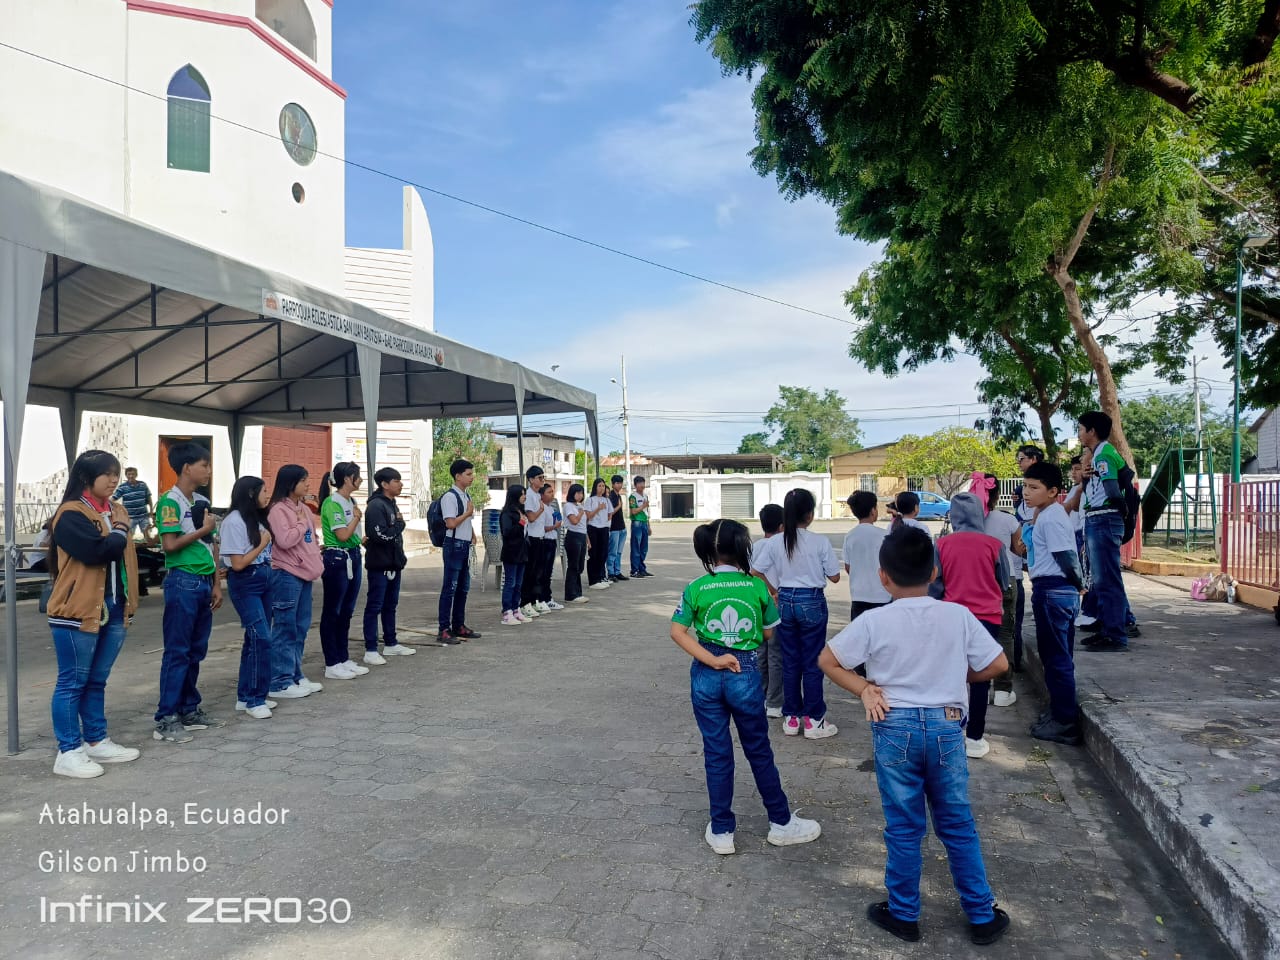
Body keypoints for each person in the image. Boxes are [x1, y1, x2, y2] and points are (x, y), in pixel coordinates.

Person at [819, 526, 1010, 947]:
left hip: (894, 726)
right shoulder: (958, 615)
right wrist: (956, 677)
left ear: (883, 577)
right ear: (935, 572)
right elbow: (998, 665)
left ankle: (904, 914)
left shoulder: (874, 620)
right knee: (957, 823)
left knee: (904, 826)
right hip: (946, 728)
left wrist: (864, 688)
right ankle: (981, 915)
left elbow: (828, 660)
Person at [671, 518, 822, 855]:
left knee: (717, 752)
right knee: (758, 750)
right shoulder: (756, 587)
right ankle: (781, 823)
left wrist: (712, 659)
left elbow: (677, 631)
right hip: (745, 672)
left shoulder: (696, 587)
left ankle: (722, 830)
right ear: (742, 548)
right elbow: (768, 633)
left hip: (706, 675)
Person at [46, 450, 142, 778]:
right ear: (87, 477)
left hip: (114, 608)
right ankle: (68, 750)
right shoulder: (71, 513)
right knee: (72, 681)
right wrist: (120, 527)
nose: (114, 480)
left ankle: (96, 740)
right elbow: (98, 551)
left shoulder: (115, 509)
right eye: (107, 474)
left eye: (117, 474)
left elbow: (122, 553)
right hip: (77, 610)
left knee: (97, 679)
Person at [751, 488, 841, 740]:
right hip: (812, 601)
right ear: (810, 514)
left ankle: (791, 717)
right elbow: (835, 577)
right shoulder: (819, 541)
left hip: (785, 601)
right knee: (812, 662)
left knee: (789, 661)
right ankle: (813, 720)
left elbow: (755, 571)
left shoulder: (774, 542)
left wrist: (774, 590)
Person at [153, 441, 223, 744]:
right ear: (186, 468)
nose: (208, 470)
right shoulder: (170, 502)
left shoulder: (202, 501)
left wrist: (217, 582)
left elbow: (212, 544)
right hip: (183, 581)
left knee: (196, 650)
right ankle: (166, 717)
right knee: (178, 651)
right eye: (204, 465)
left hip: (204, 581)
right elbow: (169, 545)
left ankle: (189, 708)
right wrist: (202, 529)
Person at [934, 492, 1010, 760]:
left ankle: (952, 731)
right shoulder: (994, 545)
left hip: (952, 616)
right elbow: (1004, 581)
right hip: (987, 618)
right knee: (981, 678)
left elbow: (936, 585)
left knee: (951, 676)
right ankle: (975, 738)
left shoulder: (941, 544)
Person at [1022, 461, 1085, 746]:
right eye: (1025, 486)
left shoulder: (1052, 517)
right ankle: (1058, 712)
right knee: (1055, 657)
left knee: (1057, 659)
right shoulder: (1046, 514)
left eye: (1034, 487)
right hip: (1051, 590)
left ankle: (1065, 721)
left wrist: (1079, 584)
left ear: (1053, 491)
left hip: (1054, 591)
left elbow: (1066, 557)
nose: (1027, 492)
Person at [1077, 412, 1135, 653]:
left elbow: (1111, 490)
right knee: (1101, 580)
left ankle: (1115, 634)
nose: (1079, 434)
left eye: (1081, 429)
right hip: (1098, 518)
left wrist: (1122, 513)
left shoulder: (1103, 454)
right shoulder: (1099, 454)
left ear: (1092, 431)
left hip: (1104, 518)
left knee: (1107, 580)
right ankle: (1107, 627)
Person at [220, 476, 276, 720]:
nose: (267, 495)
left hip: (264, 578)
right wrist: (262, 544)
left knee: (253, 640)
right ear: (251, 494)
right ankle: (255, 699)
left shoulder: (256, 518)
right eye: (264, 491)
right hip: (246, 582)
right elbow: (238, 563)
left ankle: (247, 696)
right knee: (261, 638)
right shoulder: (233, 521)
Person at [267, 465, 324, 700]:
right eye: (303, 480)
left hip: (305, 573)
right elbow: (285, 540)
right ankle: (279, 681)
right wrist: (300, 524)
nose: (308, 484)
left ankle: (295, 674)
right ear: (290, 484)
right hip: (287, 574)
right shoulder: (278, 510)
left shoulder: (303, 509)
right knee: (285, 628)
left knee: (300, 628)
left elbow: (311, 537)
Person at [318, 462, 370, 680]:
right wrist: (357, 517)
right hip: (337, 559)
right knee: (333, 611)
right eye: (358, 476)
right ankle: (332, 662)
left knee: (347, 610)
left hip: (353, 556)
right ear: (348, 479)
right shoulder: (332, 503)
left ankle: (343, 657)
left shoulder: (351, 501)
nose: (361, 480)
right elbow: (342, 535)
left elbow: (352, 535)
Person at [978, 473, 1026, 710]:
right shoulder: (1008, 520)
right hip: (1006, 580)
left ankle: (980, 686)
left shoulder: (968, 523)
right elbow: (1018, 550)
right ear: (998, 495)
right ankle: (1003, 690)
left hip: (978, 582)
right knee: (1005, 634)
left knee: (978, 635)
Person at [363, 467, 414, 661]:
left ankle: (391, 643)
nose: (401, 484)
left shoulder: (391, 503)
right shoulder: (376, 506)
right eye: (396, 481)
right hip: (380, 564)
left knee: (390, 605)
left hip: (394, 563)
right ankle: (370, 649)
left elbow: (392, 530)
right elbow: (380, 535)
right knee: (374, 606)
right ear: (384, 484)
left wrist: (397, 526)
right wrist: (399, 525)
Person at [438, 458, 482, 644]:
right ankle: (443, 629)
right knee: (450, 588)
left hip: (464, 544)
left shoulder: (466, 495)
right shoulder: (450, 497)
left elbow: (465, 521)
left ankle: (459, 625)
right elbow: (450, 523)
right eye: (468, 474)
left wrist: (471, 533)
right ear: (457, 476)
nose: (472, 477)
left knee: (463, 588)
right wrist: (467, 514)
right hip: (454, 544)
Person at [1011, 445, 1045, 670]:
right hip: (1026, 539)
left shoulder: (1046, 509)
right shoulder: (1022, 493)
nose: (1019, 463)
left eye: (1022, 459)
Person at [753, 504, 786, 718]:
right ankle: (774, 701)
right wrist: (774, 590)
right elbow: (757, 572)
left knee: (760, 652)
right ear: (782, 526)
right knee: (776, 654)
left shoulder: (755, 546)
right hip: (775, 603)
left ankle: (760, 696)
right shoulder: (781, 545)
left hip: (757, 604)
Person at [499, 484, 531, 625]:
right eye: (522, 494)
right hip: (511, 552)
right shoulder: (507, 513)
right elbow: (507, 532)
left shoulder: (521, 511)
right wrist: (520, 524)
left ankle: (516, 609)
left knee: (518, 583)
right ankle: (507, 612)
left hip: (522, 552)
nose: (524, 496)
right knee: (510, 582)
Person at [520, 466, 548, 618]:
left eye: (543, 477)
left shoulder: (537, 495)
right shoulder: (529, 495)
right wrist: (541, 510)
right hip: (532, 538)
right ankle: (525, 603)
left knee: (539, 572)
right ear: (531, 480)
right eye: (540, 478)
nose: (543, 480)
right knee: (530, 573)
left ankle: (535, 600)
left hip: (541, 536)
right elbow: (531, 517)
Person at [111, 466, 156, 545]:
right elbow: (113, 499)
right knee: (128, 538)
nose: (131, 476)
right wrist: (116, 511)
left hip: (143, 516)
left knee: (148, 537)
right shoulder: (123, 487)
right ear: (126, 475)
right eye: (129, 474)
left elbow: (149, 498)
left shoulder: (142, 485)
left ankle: (149, 552)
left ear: (136, 475)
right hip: (130, 517)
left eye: (133, 474)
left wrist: (151, 511)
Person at [538, 484, 565, 611]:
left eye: (552, 492)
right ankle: (543, 598)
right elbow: (540, 527)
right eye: (549, 492)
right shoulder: (541, 508)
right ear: (542, 495)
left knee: (548, 572)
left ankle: (547, 598)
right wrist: (554, 526)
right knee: (543, 572)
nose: (552, 494)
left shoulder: (551, 508)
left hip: (552, 540)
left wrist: (557, 523)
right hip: (545, 541)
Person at [562, 483, 589, 604]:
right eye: (578, 493)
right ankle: (570, 594)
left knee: (579, 566)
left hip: (582, 536)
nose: (580, 495)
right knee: (573, 565)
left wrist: (587, 540)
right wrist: (581, 513)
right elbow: (574, 521)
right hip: (573, 536)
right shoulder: (569, 506)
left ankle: (578, 592)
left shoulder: (579, 506)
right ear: (572, 493)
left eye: (581, 493)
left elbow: (583, 525)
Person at [585, 478, 613, 590]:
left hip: (604, 528)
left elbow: (610, 513)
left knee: (603, 553)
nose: (602, 488)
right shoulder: (590, 500)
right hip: (593, 528)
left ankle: (600, 577)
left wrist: (606, 521)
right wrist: (598, 508)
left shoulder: (607, 500)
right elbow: (588, 516)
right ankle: (593, 580)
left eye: (603, 486)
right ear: (595, 487)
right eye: (599, 486)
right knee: (594, 554)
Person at [629, 476, 652, 577]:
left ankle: (641, 568)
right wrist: (643, 506)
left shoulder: (645, 496)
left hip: (644, 522)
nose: (642, 485)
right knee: (636, 547)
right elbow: (633, 511)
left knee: (644, 548)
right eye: (639, 483)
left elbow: (647, 512)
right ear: (635, 485)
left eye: (643, 483)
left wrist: (649, 526)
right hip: (637, 522)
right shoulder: (633, 497)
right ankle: (634, 570)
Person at [607, 475, 628, 582]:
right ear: (612, 484)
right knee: (612, 551)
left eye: (621, 483)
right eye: (617, 483)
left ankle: (617, 572)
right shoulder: (611, 496)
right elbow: (609, 513)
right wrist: (619, 506)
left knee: (619, 552)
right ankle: (611, 573)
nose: (619, 485)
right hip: (614, 528)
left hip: (622, 527)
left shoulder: (618, 495)